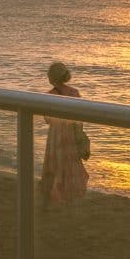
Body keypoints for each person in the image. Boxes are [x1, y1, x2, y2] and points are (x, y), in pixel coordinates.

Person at [41, 62, 89, 206]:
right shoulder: (74, 93)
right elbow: (79, 118)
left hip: (55, 136)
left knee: (54, 164)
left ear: (51, 77)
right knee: (70, 163)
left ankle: (54, 195)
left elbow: (47, 120)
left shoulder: (49, 95)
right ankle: (70, 195)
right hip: (71, 134)